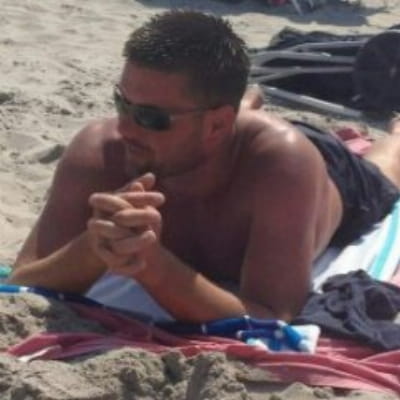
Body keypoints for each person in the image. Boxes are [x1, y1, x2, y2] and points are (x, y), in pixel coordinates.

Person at [9, 10, 400, 323]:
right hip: (218, 131)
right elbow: (22, 279)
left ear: (216, 125)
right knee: (196, 122)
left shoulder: (282, 168)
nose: (124, 127)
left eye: (150, 117)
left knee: (384, 170)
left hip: (330, 174)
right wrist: (93, 248)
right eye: (121, 103)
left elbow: (273, 314)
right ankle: (243, 105)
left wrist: (153, 266)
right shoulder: (102, 148)